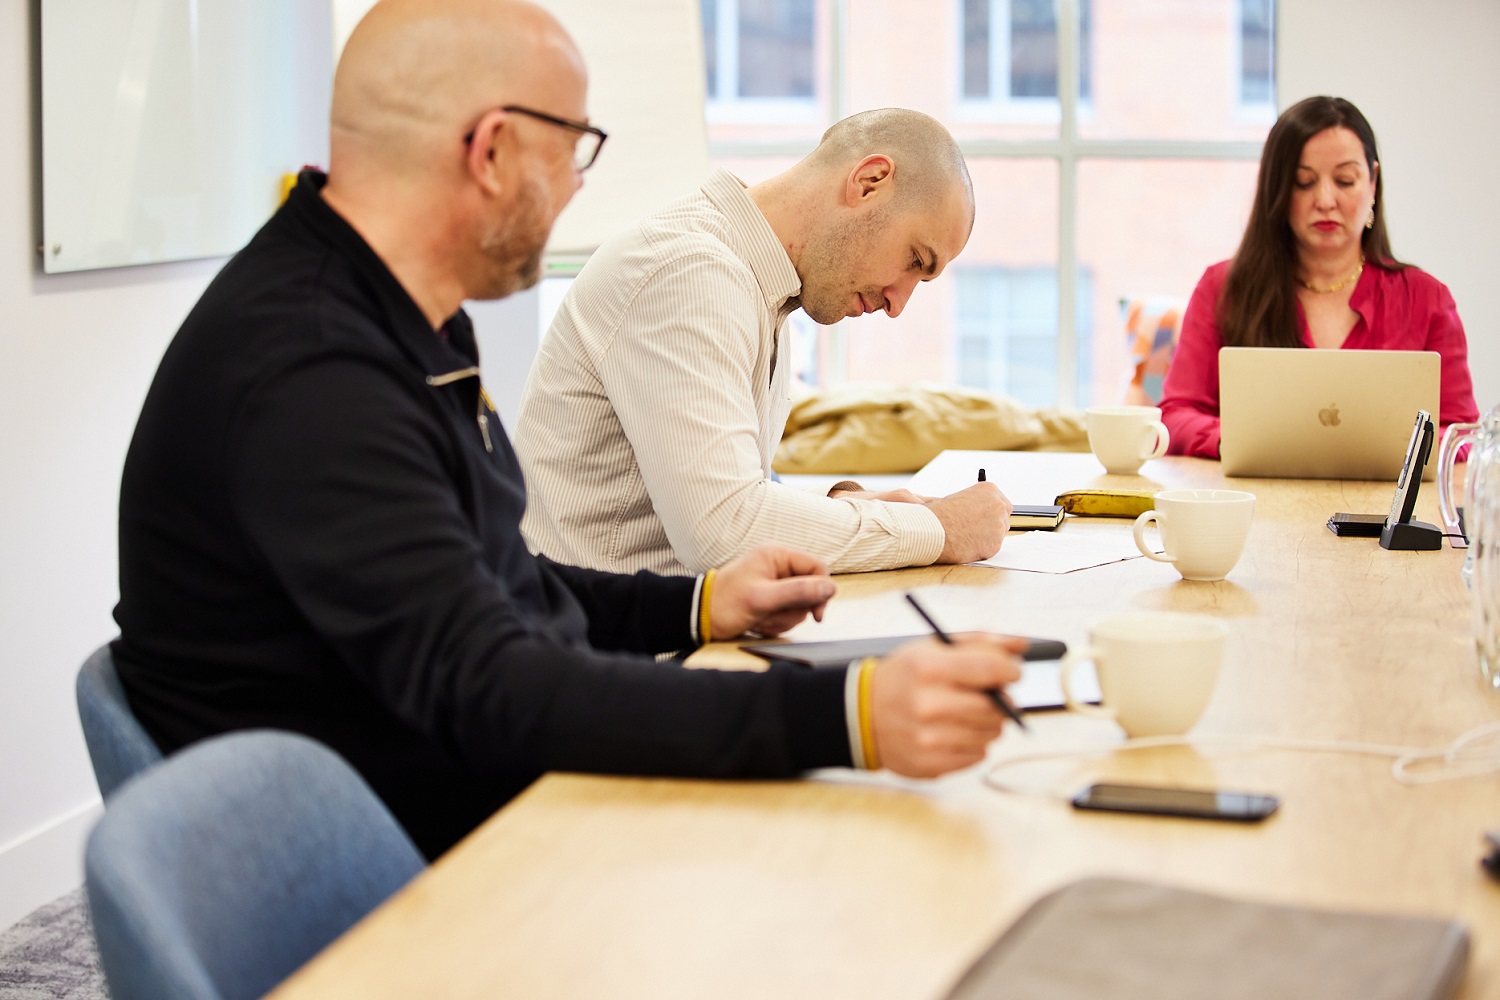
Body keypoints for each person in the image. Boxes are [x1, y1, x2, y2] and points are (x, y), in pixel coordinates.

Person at [111, 0, 1026, 860]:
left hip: (432, 771)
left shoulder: (399, 316)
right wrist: (845, 716)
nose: (577, 189)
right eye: (574, 150)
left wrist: (696, 606)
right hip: (381, 851)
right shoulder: (314, 369)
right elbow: (491, 684)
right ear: (495, 151)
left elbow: (495, 582)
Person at [513, 109, 1011, 578]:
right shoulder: (690, 273)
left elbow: (734, 491)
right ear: (869, 181)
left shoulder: (761, 287)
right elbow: (722, 529)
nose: (898, 303)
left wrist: (849, 510)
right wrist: (940, 530)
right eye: (914, 260)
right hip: (609, 650)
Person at [1159, 96, 1478, 458]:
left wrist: (1402, 454)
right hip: (1252, 506)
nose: (1325, 200)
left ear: (1372, 183)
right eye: (1303, 182)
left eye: (1345, 181)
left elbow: (1461, 434)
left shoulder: (1427, 298)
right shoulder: (1223, 288)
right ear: (1277, 190)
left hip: (1385, 511)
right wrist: (1239, 440)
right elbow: (1175, 415)